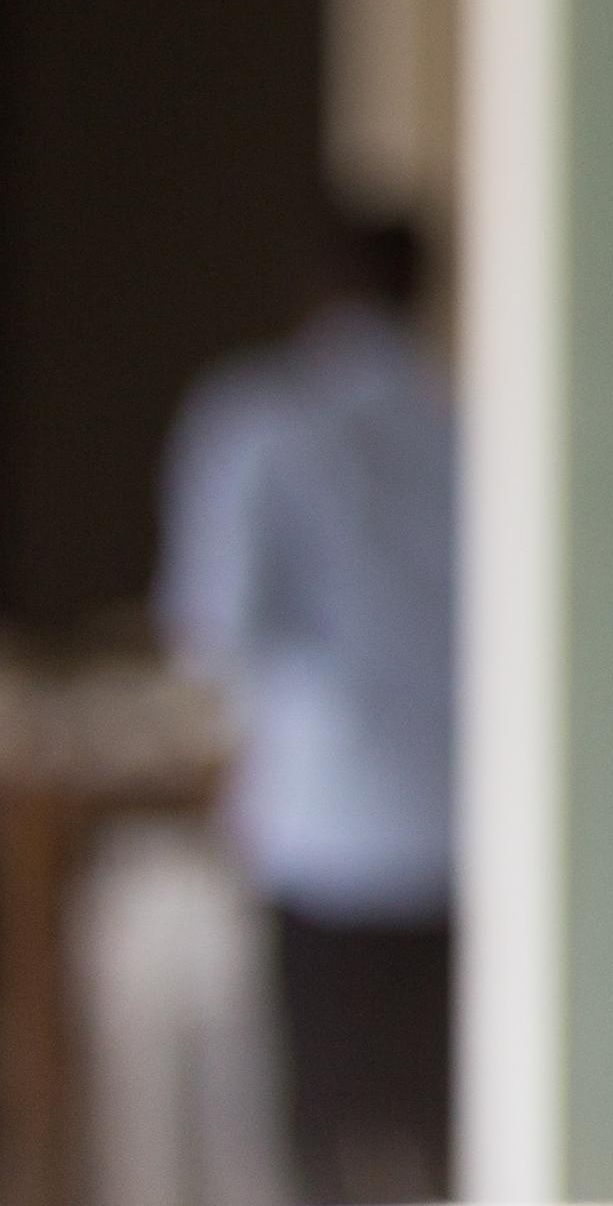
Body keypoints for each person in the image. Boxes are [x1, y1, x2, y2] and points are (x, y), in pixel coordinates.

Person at [160, 211, 458, 1206]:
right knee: (437, 1117)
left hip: (322, 821)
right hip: (457, 819)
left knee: (326, 1130)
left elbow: (214, 632)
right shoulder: (470, 421)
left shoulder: (259, 423)